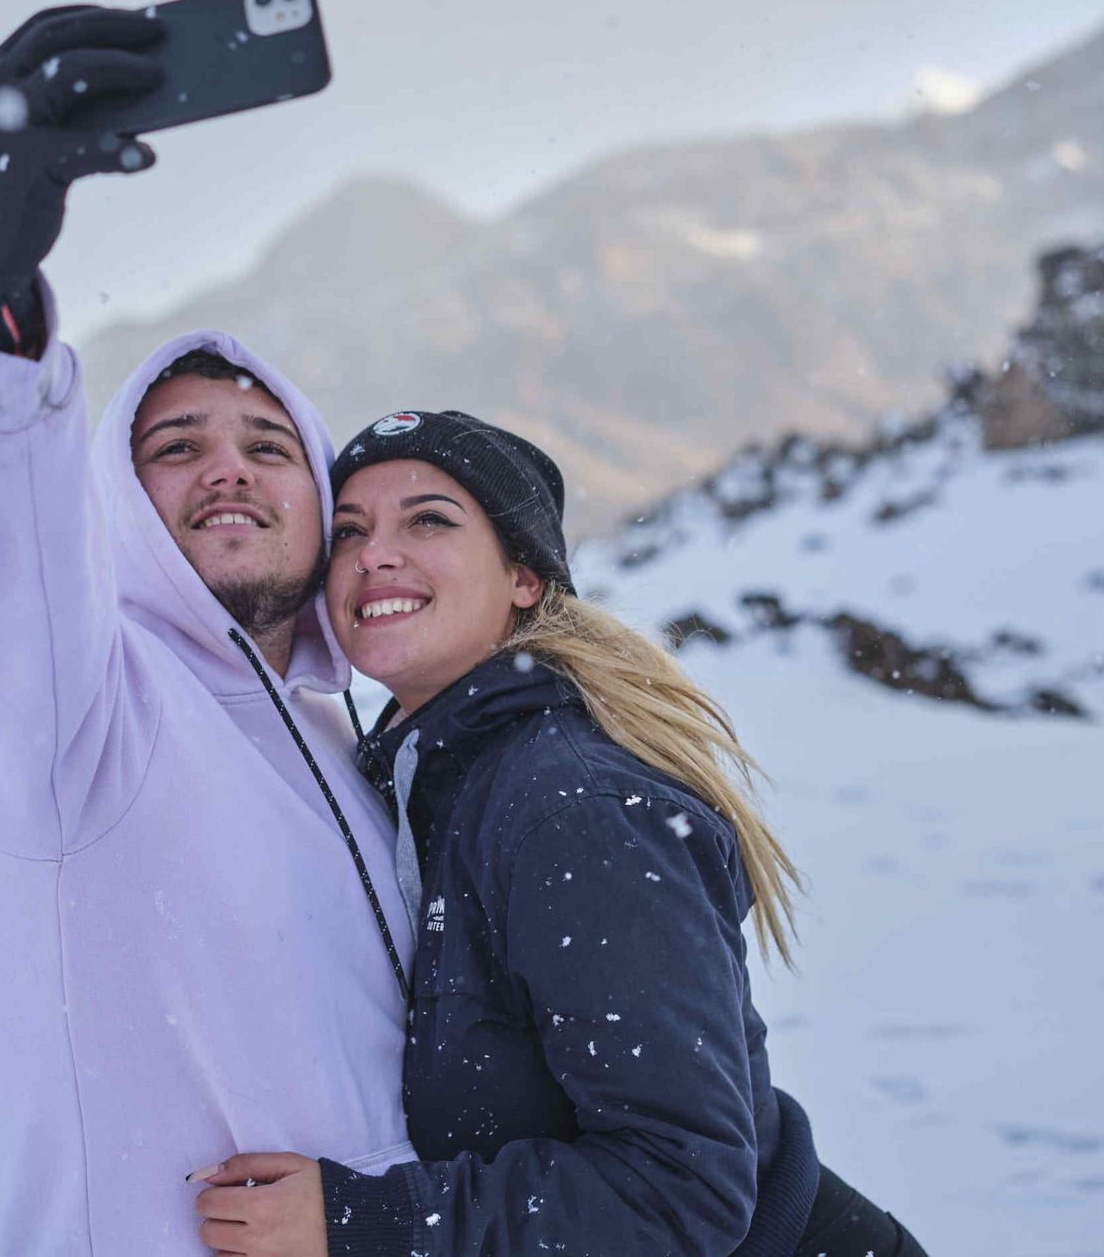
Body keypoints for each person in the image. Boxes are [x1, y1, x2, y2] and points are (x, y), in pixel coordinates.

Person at [0, 6, 416, 1253]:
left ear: (324, 499)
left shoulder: (355, 749)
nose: (226, 472)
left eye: (269, 446)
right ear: (112, 508)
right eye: (171, 449)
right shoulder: (79, 722)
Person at [190, 411, 928, 1255]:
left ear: (525, 577)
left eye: (428, 519)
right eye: (349, 530)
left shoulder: (573, 805)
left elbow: (678, 1186)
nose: (373, 554)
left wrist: (360, 1219)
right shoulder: (427, 784)